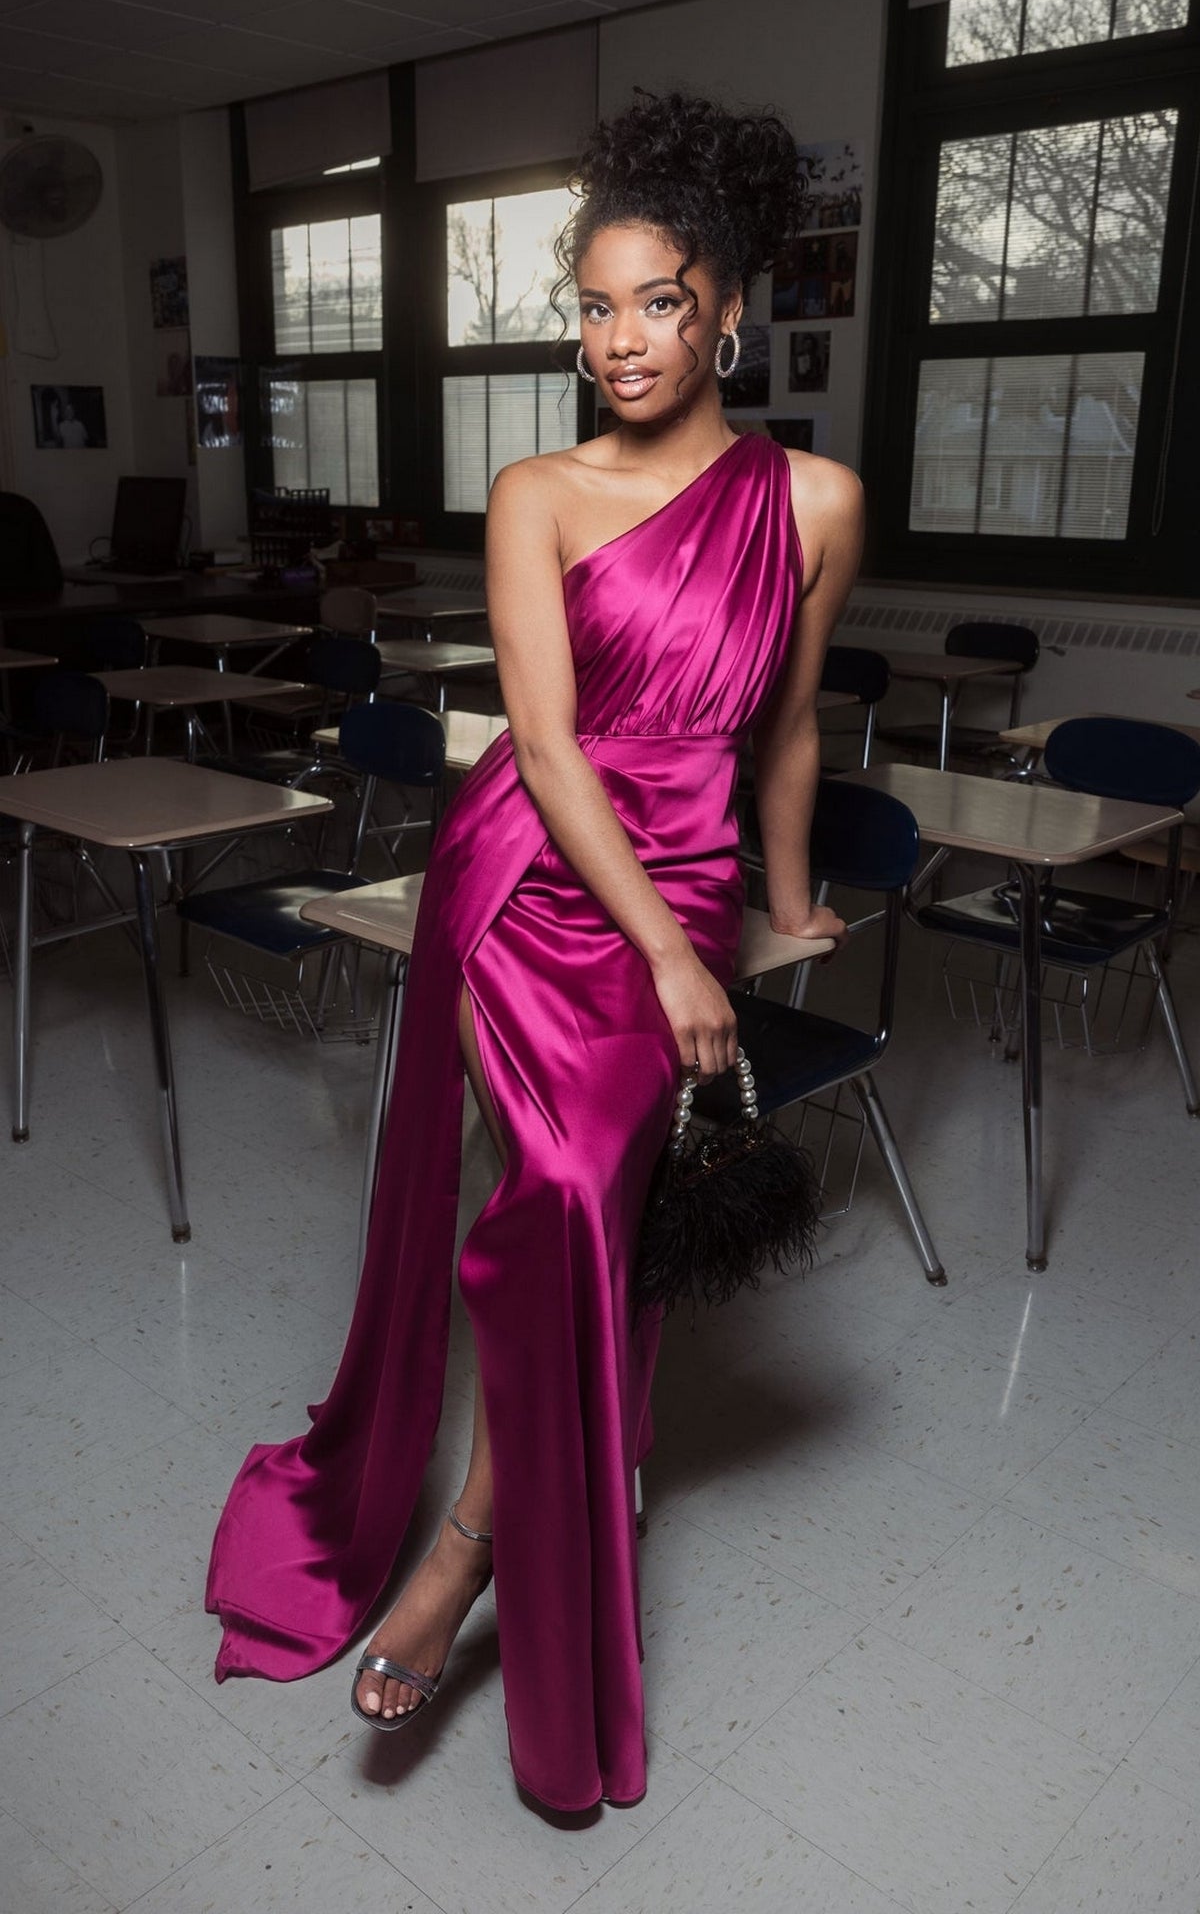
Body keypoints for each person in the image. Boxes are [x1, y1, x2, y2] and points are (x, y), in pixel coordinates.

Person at [205, 91, 862, 1815]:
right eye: (593, 303)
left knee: (585, 1223)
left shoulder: (814, 503)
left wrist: (781, 902)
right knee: (556, 1209)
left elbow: (787, 725)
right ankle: (466, 1554)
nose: (622, 339)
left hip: (688, 882)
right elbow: (552, 752)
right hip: (530, 883)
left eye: (659, 301)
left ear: (728, 306)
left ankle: (486, 1543)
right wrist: (669, 956)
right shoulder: (536, 490)